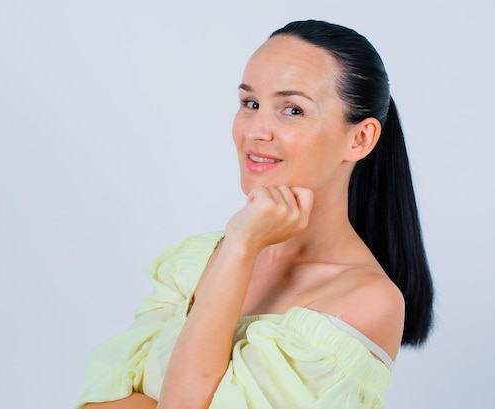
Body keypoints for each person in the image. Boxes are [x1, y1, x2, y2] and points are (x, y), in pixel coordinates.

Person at [76, 19, 434, 409]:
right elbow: (100, 398)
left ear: (360, 138)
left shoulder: (367, 301)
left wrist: (242, 246)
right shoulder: (194, 261)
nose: (256, 130)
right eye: (250, 103)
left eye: (292, 109)